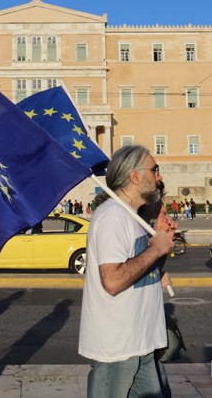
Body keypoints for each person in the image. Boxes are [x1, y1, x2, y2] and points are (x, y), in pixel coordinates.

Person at [79, 145, 176, 398]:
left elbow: (142, 274)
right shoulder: (113, 217)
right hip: (119, 348)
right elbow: (112, 280)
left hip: (141, 342)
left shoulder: (133, 217)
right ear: (135, 177)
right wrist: (155, 250)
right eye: (154, 170)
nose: (159, 177)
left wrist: (161, 242)